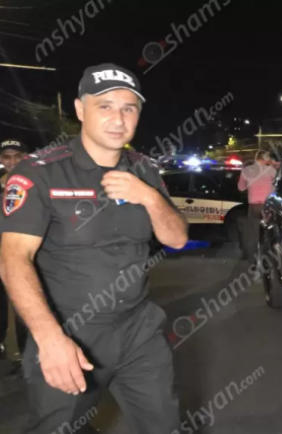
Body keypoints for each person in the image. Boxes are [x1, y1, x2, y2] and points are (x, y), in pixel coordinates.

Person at [0, 64, 188, 434]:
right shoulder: (40, 171)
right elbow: (13, 259)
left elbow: (177, 238)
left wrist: (149, 197)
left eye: (129, 108)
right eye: (105, 106)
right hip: (70, 330)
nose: (118, 119)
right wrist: (50, 338)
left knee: (165, 426)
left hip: (139, 330)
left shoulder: (145, 170)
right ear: (80, 109)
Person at [0, 138, 29, 370]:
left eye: (17, 156)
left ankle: (27, 357)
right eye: (7, 157)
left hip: (26, 255)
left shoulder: (36, 181)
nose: (12, 161)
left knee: (25, 305)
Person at [238, 150, 278, 259]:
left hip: (254, 206)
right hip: (268, 205)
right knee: (270, 232)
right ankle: (269, 257)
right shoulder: (271, 170)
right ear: (266, 159)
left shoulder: (246, 170)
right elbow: (278, 186)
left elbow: (241, 188)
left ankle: (253, 258)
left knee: (253, 233)